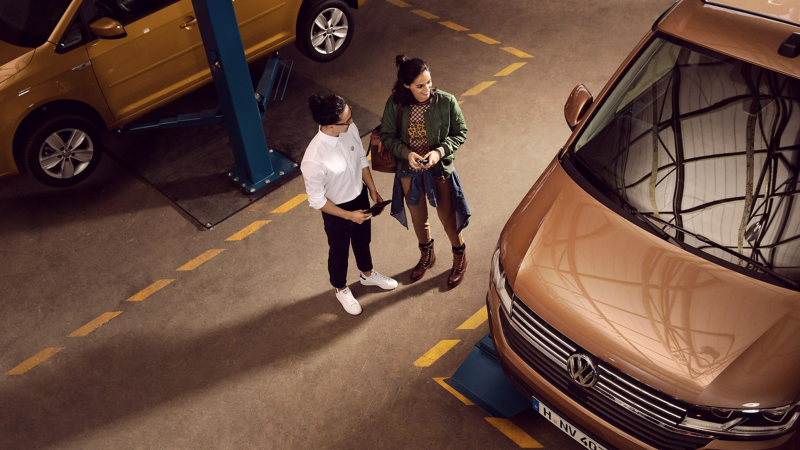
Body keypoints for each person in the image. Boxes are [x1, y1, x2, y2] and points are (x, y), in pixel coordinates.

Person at [301, 94, 398, 315]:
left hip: (360, 197)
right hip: (336, 210)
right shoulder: (314, 159)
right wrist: (349, 216)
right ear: (329, 125)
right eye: (347, 120)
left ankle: (367, 274)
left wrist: (372, 189)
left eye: (350, 116)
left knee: (364, 241)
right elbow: (317, 201)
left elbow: (360, 161)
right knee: (339, 251)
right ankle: (341, 288)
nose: (352, 122)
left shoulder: (348, 130)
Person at [380, 55, 470, 288]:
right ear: (406, 85)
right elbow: (387, 136)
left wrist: (439, 152)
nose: (427, 89)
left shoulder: (446, 101)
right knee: (419, 218)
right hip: (409, 170)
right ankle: (427, 255)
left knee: (448, 217)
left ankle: (460, 258)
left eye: (429, 82)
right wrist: (406, 154)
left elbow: (460, 132)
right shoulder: (395, 104)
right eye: (420, 85)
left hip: (438, 169)